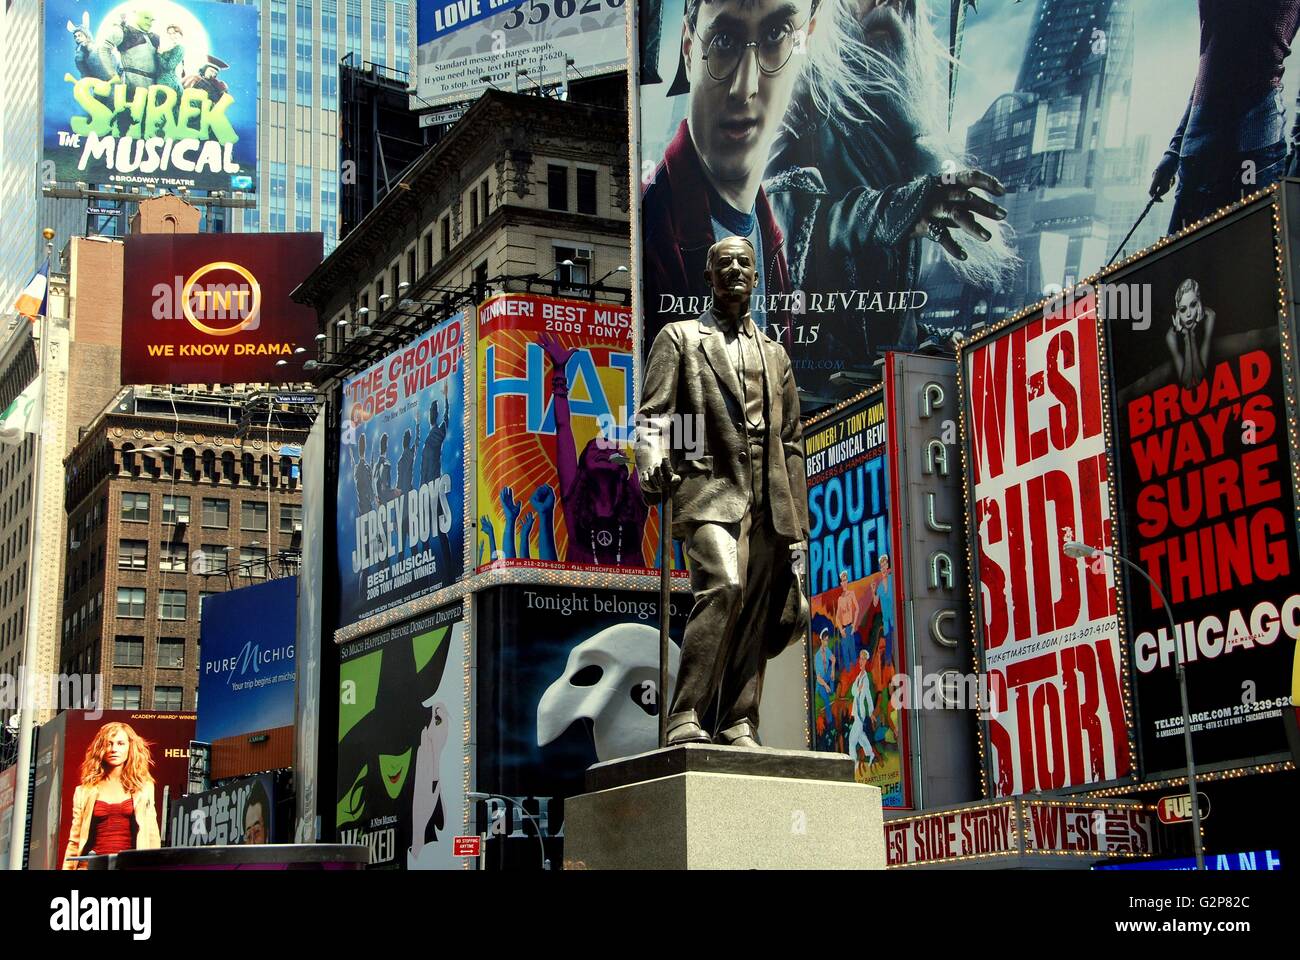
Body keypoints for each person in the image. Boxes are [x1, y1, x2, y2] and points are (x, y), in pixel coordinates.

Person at [765, 0, 1011, 370]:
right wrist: (892, 211)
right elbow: (780, 226)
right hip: (815, 394)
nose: (887, 4)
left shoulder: (899, 118)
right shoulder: (799, 97)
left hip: (883, 393)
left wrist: (923, 341)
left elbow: (883, 299)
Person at [636, 236, 810, 747]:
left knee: (755, 609)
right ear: (709, 277)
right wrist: (651, 462)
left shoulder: (776, 355)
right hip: (709, 488)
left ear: (756, 277)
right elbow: (652, 417)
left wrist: (797, 522)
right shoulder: (681, 338)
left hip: (769, 498)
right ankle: (685, 712)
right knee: (724, 588)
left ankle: (739, 719)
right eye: (724, 263)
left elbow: (794, 440)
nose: (735, 270)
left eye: (745, 263)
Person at [641, 0, 806, 351]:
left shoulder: (771, 241)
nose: (743, 87)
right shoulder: (650, 222)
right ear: (689, 48)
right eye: (724, 41)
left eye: (776, 34)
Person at [1151, 0, 1300, 232]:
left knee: (1239, 259)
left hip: (1252, 146)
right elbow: (1211, 61)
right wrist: (1174, 148)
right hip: (1197, 149)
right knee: (1182, 264)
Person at [539, 332, 649, 567]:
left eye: (610, 447)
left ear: (621, 463)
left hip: (638, 602)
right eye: (594, 447)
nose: (603, 448)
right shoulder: (573, 496)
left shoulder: (635, 496)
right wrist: (559, 372)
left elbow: (648, 436)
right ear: (581, 465)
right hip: (576, 601)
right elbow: (563, 426)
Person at [62, 722, 160, 869]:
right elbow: (75, 840)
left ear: (130, 747)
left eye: (120, 743)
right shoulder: (84, 791)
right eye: (109, 744)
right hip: (91, 865)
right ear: (101, 748)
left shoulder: (144, 788)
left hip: (130, 865)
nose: (114, 749)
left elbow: (152, 834)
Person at [354, 431, 376, 515]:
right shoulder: (364, 468)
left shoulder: (357, 468)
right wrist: (373, 498)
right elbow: (368, 485)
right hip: (366, 508)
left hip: (361, 507)